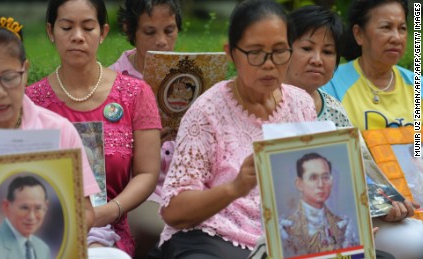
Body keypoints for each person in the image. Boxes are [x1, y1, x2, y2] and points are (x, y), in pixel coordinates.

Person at [158, 0, 317, 258]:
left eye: (279, 51)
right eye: (255, 52)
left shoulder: (301, 104)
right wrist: (235, 188)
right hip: (213, 237)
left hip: (286, 238)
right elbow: (174, 211)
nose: (269, 64)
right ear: (231, 53)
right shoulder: (207, 112)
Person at [284, 4, 423, 258]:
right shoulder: (335, 87)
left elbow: (360, 169)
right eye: (306, 49)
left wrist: (385, 201)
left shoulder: (334, 108)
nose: (317, 59)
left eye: (403, 28)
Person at [25, 0, 162, 256]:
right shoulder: (30, 101)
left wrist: (106, 213)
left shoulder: (135, 94)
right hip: (44, 224)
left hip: (113, 222)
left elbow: (147, 173)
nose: (77, 37)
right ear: (50, 32)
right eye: (66, 27)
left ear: (103, 33)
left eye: (88, 28)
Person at [0, 16, 99, 252]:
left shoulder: (59, 130)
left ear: (25, 71)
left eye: (9, 78)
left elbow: (86, 212)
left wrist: (56, 229)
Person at [108, 1, 182, 257]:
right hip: (138, 196)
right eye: (150, 32)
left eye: (169, 30)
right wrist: (146, 146)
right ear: (130, 30)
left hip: (188, 190)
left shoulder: (191, 77)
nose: (161, 41)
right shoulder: (112, 84)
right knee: (177, 232)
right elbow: (106, 163)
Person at [321, 0, 413, 130]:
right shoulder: (330, 84)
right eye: (386, 27)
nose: (397, 38)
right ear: (358, 34)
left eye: (402, 28)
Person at [280, 153, 359, 257]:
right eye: (313, 178)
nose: (321, 185)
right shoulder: (284, 228)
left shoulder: (344, 225)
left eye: (326, 177)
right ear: (299, 184)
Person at [0, 175, 51, 259]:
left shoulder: (43, 249)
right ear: (6, 207)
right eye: (24, 208)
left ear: (46, 206)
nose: (31, 217)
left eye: (38, 208)